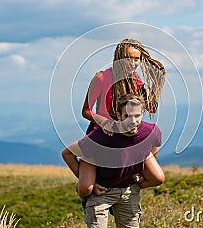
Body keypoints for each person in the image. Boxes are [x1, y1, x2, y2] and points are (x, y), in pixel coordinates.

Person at [62, 94, 165, 227]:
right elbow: (67, 154)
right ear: (118, 115)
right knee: (85, 188)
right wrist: (90, 183)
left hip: (128, 190)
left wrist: (141, 169)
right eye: (127, 116)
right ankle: (86, 198)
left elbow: (156, 144)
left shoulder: (151, 131)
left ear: (142, 113)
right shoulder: (101, 136)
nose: (133, 121)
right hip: (102, 190)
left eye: (137, 116)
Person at [82, 38, 166, 135]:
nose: (132, 64)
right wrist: (106, 123)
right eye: (128, 59)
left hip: (126, 132)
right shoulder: (101, 78)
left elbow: (151, 109)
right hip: (101, 132)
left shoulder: (136, 80)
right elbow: (86, 111)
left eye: (136, 59)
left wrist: (156, 83)